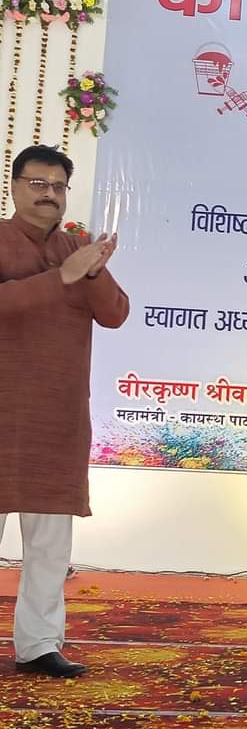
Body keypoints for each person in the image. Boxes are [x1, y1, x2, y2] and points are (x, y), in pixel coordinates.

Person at [0, 144, 128, 678]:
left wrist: (91, 272)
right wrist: (63, 277)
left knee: (50, 544)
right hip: (4, 413)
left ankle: (38, 644)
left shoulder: (78, 248)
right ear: (14, 185)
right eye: (37, 183)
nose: (48, 194)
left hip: (56, 418)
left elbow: (116, 314)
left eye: (57, 186)